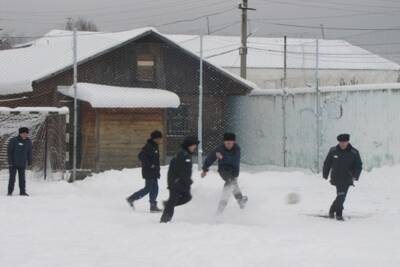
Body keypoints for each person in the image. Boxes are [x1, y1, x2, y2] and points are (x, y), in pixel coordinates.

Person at [201, 132, 248, 214]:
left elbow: (233, 160)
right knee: (231, 183)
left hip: (234, 172)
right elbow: (211, 157)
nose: (229, 145)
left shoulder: (237, 149)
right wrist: (205, 169)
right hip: (224, 170)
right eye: (227, 143)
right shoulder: (220, 149)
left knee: (229, 188)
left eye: (230, 143)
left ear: (234, 142)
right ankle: (240, 200)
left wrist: (223, 157)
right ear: (224, 142)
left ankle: (219, 212)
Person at [323, 133, 362, 221]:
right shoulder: (333, 151)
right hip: (336, 178)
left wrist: (355, 176)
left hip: (347, 178)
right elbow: (327, 163)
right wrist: (325, 174)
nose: (343, 144)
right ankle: (335, 212)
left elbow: (359, 165)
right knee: (341, 196)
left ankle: (335, 212)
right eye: (341, 142)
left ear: (348, 141)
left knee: (341, 196)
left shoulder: (354, 152)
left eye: (344, 142)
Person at [160, 136, 199, 223]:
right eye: (194, 145)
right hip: (176, 182)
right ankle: (165, 220)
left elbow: (185, 171)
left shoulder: (186, 154)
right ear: (189, 145)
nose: (195, 147)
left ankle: (168, 204)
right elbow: (181, 170)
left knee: (187, 197)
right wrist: (187, 181)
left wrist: (187, 181)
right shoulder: (183, 155)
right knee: (174, 200)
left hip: (180, 182)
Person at [126, 130, 163, 213]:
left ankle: (153, 206)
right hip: (149, 171)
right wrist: (150, 165)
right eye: (160, 139)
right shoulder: (148, 146)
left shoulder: (155, 146)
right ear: (155, 139)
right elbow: (140, 156)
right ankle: (131, 198)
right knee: (148, 188)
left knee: (155, 188)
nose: (161, 140)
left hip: (154, 171)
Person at [7, 127, 32, 196]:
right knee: (12, 178)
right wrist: (10, 162)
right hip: (13, 163)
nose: (25, 135)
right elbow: (9, 152)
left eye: (26, 133)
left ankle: (22, 192)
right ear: (20, 133)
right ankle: (10, 192)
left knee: (22, 179)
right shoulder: (14, 140)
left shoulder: (28, 142)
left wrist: (29, 161)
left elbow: (29, 152)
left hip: (22, 163)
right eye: (23, 133)